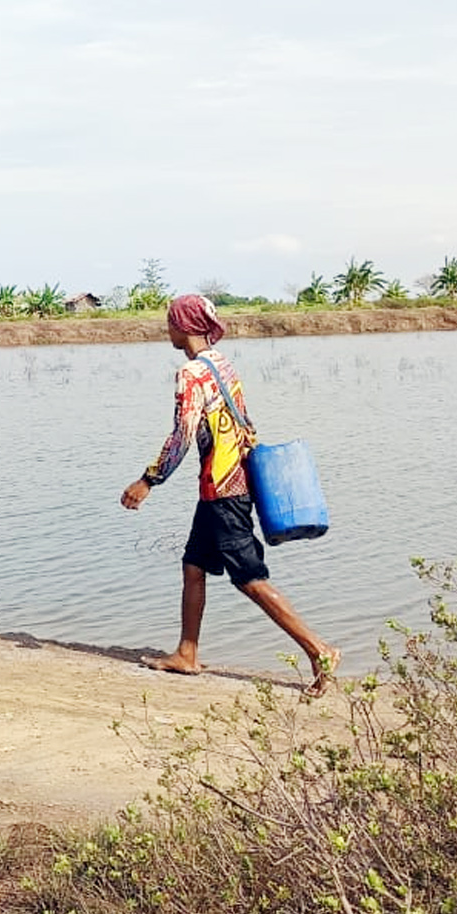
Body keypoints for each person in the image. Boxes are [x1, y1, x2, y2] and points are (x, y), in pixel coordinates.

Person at [120, 293, 339, 698]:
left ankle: (318, 650)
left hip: (223, 491)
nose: (166, 329)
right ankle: (187, 653)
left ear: (183, 326)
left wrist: (148, 481)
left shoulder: (190, 375)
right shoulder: (221, 364)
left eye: (170, 322)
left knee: (250, 578)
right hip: (226, 484)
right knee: (193, 566)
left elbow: (182, 436)